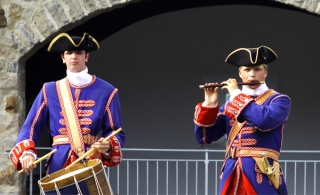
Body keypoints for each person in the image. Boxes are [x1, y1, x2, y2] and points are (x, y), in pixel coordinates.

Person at [9, 32, 125, 182]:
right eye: (69, 53)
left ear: (87, 56)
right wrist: (27, 153)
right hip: (58, 162)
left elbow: (115, 131)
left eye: (79, 52)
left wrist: (108, 144)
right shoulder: (49, 90)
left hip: (90, 161)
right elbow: (31, 125)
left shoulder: (107, 91)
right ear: (63, 58)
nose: (74, 57)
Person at [193, 46, 290, 195]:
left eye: (257, 69)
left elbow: (264, 120)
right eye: (247, 70)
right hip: (232, 173)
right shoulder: (229, 104)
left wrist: (236, 95)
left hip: (261, 174)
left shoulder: (279, 100)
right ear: (239, 73)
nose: (252, 75)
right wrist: (210, 104)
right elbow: (205, 137)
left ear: (265, 72)